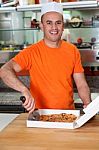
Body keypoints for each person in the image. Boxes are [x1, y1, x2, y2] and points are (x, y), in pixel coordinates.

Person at [0, 2, 91, 114]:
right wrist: (24, 90)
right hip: (40, 116)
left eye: (58, 23)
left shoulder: (72, 50)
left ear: (63, 26)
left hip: (67, 116)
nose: (54, 27)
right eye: (49, 23)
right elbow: (4, 70)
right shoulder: (31, 52)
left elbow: (81, 84)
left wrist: (88, 105)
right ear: (42, 26)